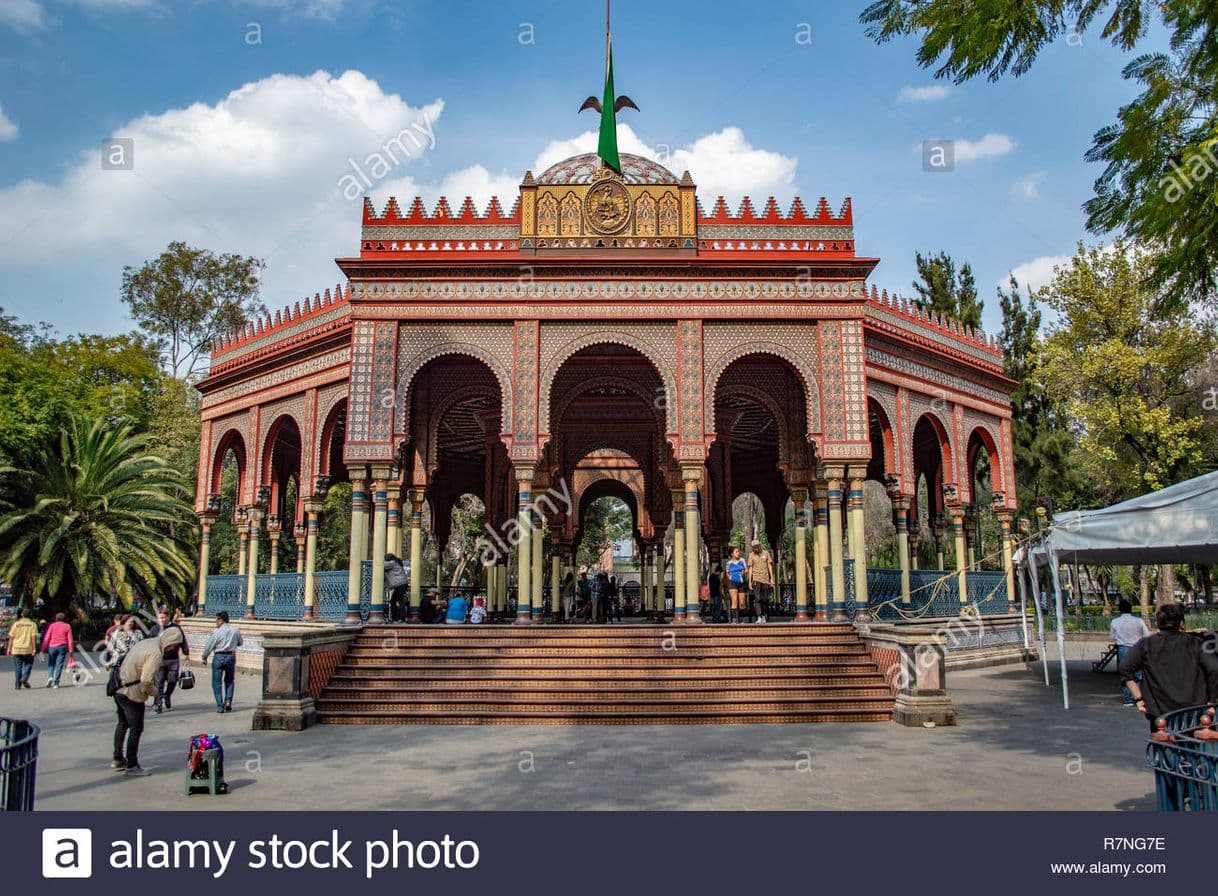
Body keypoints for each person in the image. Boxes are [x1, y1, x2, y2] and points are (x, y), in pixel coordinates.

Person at [1119, 603, 1218, 732]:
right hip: (1195, 711)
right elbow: (1214, 668)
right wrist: (1212, 700)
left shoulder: (1146, 644)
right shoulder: (1197, 643)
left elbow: (1125, 668)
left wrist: (1138, 697)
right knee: (1197, 748)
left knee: (1165, 746)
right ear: (1181, 623)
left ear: (1157, 624)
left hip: (1160, 712)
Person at [112, 625, 185, 776]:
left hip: (118, 687)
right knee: (136, 728)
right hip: (132, 693)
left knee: (122, 723)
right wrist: (157, 693)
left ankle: (117, 759)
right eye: (174, 645)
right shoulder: (156, 653)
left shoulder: (146, 642)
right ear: (171, 643)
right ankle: (131, 765)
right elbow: (146, 680)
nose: (172, 649)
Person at [1109, 599, 1150, 706]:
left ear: (1119, 610)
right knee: (1139, 673)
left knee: (1125, 673)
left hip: (1123, 648)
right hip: (1137, 647)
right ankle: (1139, 697)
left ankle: (1128, 699)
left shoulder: (1115, 622)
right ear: (1131, 609)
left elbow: (1112, 636)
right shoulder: (1138, 621)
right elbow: (1146, 635)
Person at [200, 610, 243, 713]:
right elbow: (240, 642)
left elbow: (209, 646)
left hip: (218, 656)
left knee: (216, 682)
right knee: (229, 680)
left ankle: (220, 705)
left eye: (217, 619)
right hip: (230, 657)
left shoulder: (216, 632)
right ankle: (228, 701)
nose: (216, 622)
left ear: (221, 620)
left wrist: (204, 657)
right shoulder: (235, 630)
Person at [152, 607, 190, 713]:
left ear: (168, 616)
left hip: (173, 660)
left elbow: (183, 640)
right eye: (160, 618)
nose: (162, 620)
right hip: (159, 660)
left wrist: (186, 653)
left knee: (172, 681)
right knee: (159, 683)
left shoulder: (176, 628)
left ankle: (167, 695)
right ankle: (158, 703)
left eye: (163, 618)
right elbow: (148, 641)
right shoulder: (155, 629)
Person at [40, 611, 75, 688]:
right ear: (64, 619)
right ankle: (56, 683)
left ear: (56, 618)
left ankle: (50, 677)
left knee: (51, 663)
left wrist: (42, 649)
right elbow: (70, 639)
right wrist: (71, 651)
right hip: (62, 647)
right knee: (59, 664)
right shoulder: (67, 626)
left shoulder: (52, 626)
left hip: (52, 647)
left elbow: (47, 637)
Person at [6, 609, 38, 689]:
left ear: (22, 615)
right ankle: (24, 678)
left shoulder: (16, 624)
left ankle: (17, 685)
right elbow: (33, 638)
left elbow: (11, 637)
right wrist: (34, 649)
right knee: (29, 665)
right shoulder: (32, 624)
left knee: (18, 667)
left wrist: (9, 649)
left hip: (16, 649)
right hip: (28, 649)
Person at [747, 539, 775, 624]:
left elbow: (769, 565)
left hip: (765, 580)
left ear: (759, 545)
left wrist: (772, 578)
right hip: (756, 579)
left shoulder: (766, 553)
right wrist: (750, 581)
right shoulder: (751, 555)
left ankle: (764, 615)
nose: (756, 548)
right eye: (754, 547)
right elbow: (750, 568)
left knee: (765, 599)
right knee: (757, 599)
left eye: (757, 546)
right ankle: (759, 616)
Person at [384, 553, 409, 622]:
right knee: (395, 601)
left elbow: (380, 564)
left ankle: (401, 618)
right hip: (402, 584)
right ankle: (397, 618)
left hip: (400, 584)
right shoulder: (396, 563)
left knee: (399, 601)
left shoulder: (392, 563)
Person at [726, 548, 747, 624]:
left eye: (738, 551)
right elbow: (727, 573)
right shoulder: (729, 563)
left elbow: (746, 569)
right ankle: (734, 619)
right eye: (736, 552)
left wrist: (743, 572)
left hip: (741, 582)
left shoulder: (742, 560)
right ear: (732, 554)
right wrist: (730, 578)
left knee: (742, 602)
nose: (738, 553)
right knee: (734, 600)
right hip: (732, 583)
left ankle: (741, 619)